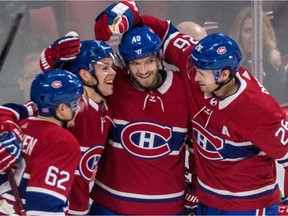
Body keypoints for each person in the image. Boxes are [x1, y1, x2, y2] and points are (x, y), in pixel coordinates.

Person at [111, 8, 288, 214]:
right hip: (209, 202)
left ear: (223, 75)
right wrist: (133, 17)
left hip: (249, 206)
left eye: (202, 74)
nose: (194, 79)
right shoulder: (196, 63)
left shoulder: (259, 109)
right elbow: (166, 32)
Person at [88, 1, 191, 214]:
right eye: (135, 63)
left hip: (167, 208)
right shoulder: (113, 83)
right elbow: (61, 98)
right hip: (111, 206)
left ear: (160, 58)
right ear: (125, 64)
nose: (143, 70)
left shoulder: (184, 87)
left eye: (148, 61)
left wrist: (140, 18)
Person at [0, 34, 118, 214]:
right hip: (58, 205)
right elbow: (44, 206)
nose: (113, 72)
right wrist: (4, 123)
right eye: (104, 67)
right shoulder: (65, 113)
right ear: (85, 74)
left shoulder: (106, 105)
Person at [0, 69, 84, 215]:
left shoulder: (19, 125)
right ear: (62, 108)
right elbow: (44, 208)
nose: (80, 108)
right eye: (76, 102)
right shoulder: (62, 141)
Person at [229, 6, 287, 104]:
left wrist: (264, 82)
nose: (252, 36)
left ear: (265, 33)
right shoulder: (229, 64)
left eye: (257, 30)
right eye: (247, 30)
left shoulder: (275, 64)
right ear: (239, 33)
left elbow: (279, 102)